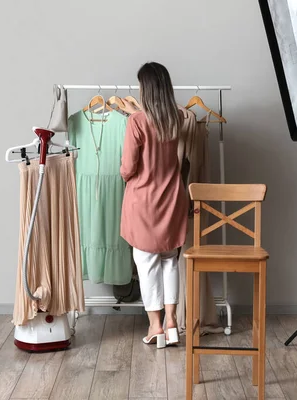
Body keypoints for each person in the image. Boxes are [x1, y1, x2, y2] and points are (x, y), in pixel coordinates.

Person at [120, 62, 188, 348]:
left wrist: (128, 174)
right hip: (172, 199)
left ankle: (156, 326)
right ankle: (173, 323)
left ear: (145, 88)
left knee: (146, 264)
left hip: (145, 203)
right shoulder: (177, 118)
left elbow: (127, 168)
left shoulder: (137, 121)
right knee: (169, 261)